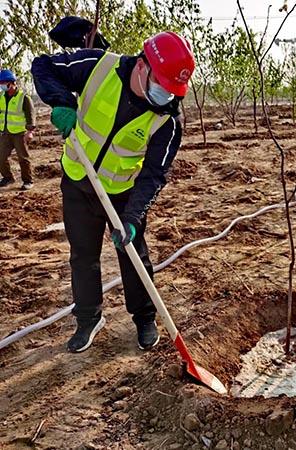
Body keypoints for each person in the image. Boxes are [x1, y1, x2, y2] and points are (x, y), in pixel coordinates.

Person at [31, 31, 195, 353]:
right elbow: (43, 66)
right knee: (83, 255)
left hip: (123, 192)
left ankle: (145, 318)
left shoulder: (168, 120)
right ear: (142, 66)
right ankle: (88, 319)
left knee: (133, 253)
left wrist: (132, 218)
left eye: (172, 91)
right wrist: (62, 102)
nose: (166, 96)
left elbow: (154, 174)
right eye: (161, 85)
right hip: (79, 180)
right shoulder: (97, 66)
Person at [0, 69, 36, 190]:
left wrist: (30, 132)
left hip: (20, 133)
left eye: (4, 83)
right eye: (1, 83)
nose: (2, 85)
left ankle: (28, 181)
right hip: (5, 132)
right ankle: (8, 178)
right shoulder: (1, 97)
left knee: (23, 158)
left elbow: (30, 115)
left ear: (12, 83)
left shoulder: (24, 98)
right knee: (1, 157)